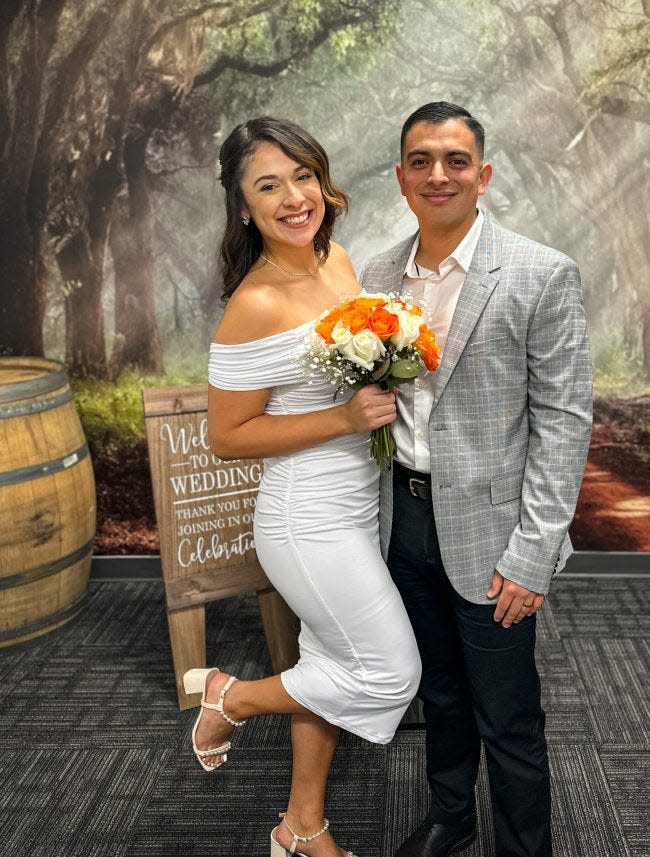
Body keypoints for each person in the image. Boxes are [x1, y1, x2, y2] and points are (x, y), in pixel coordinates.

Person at [360, 102, 592, 857]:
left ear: (482, 174)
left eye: (456, 160)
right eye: (421, 160)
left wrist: (534, 553)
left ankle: (525, 847)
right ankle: (450, 817)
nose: (439, 174)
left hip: (495, 536)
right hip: (405, 520)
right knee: (442, 695)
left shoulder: (539, 273)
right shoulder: (378, 274)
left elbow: (562, 423)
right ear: (401, 177)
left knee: (509, 714)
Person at [187, 117, 421, 857]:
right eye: (268, 186)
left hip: (358, 503)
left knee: (328, 664)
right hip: (306, 517)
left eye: (303, 176)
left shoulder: (339, 260)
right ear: (244, 208)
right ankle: (232, 695)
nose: (294, 197)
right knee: (389, 671)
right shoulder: (253, 303)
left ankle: (300, 827)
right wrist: (343, 416)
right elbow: (226, 436)